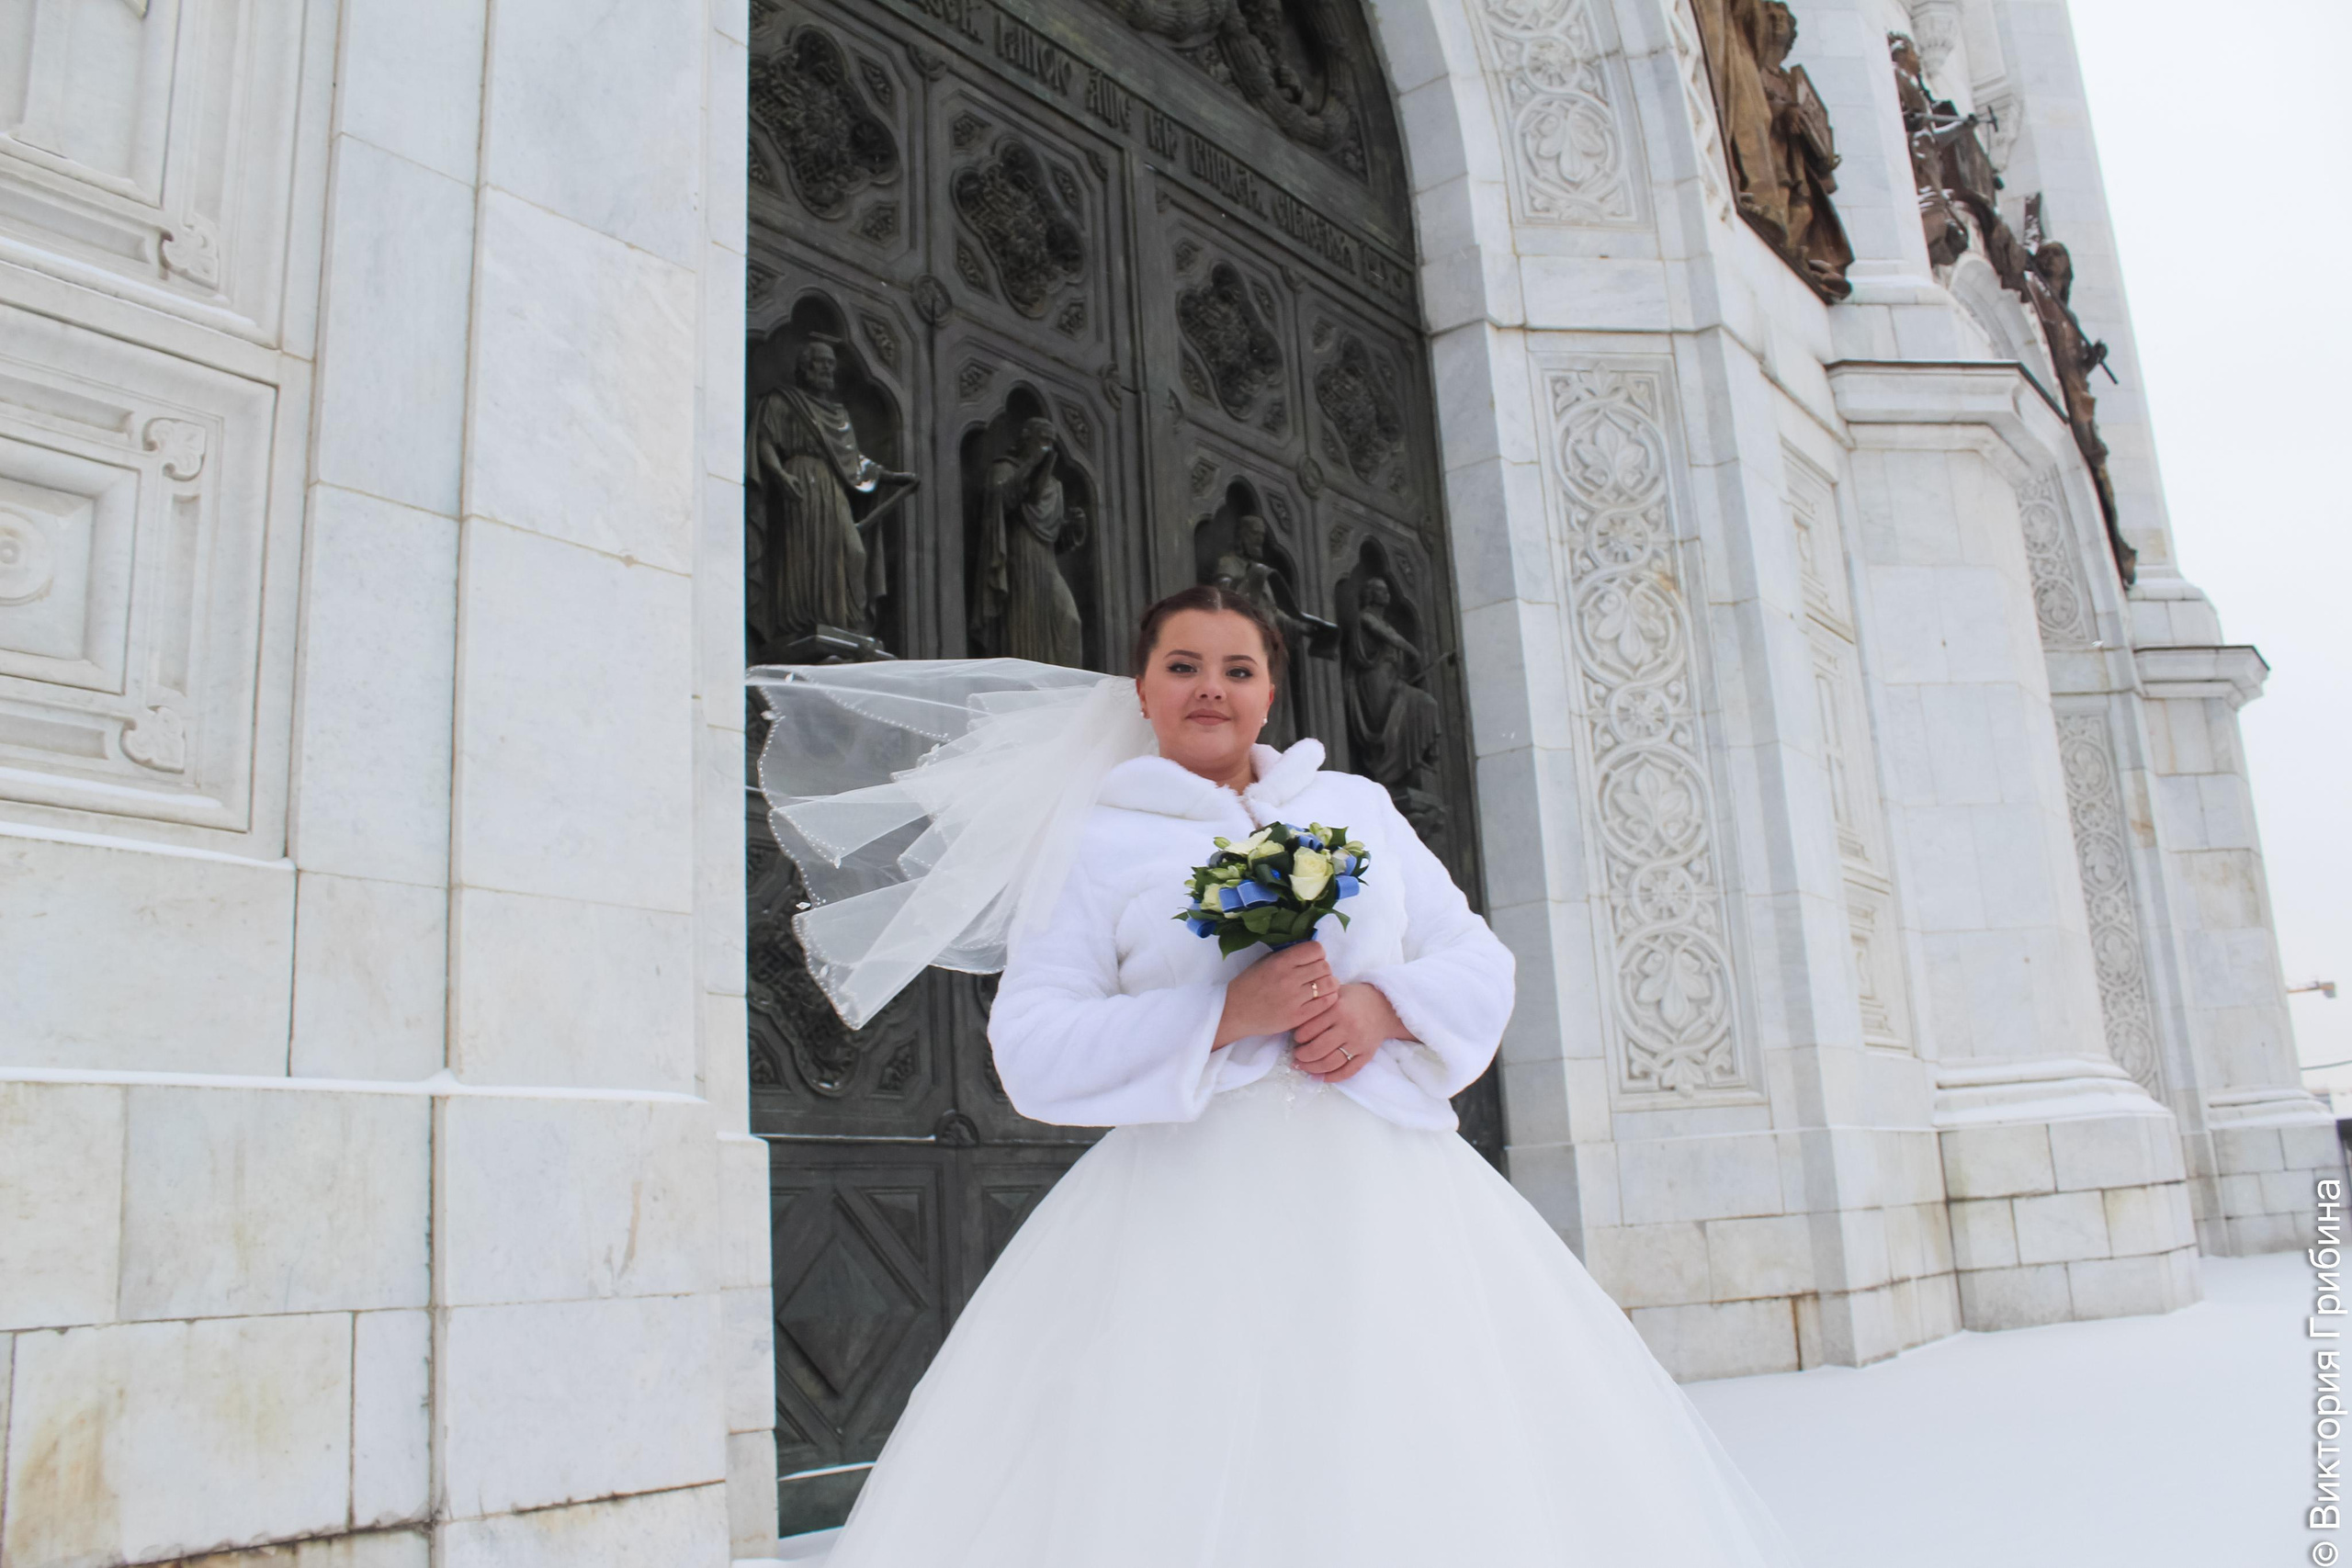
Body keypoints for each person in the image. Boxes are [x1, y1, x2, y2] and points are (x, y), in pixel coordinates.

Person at [751, 585, 1802, 1567]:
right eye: (1183, 665)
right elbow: (1032, 1047)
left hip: (1391, 1187)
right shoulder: (1092, 841)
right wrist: (1221, 1016)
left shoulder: (1356, 810)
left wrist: (1379, 1008)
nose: (1212, 687)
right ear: (1143, 689)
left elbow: (1475, 959)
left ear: (1269, 690)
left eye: (1238, 668)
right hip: (1189, 1202)